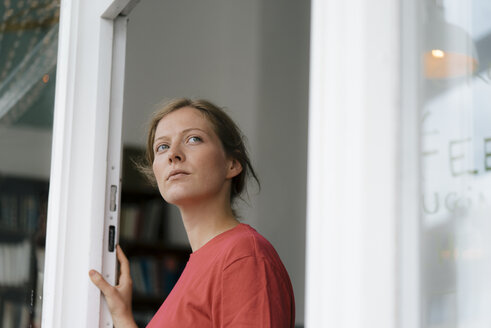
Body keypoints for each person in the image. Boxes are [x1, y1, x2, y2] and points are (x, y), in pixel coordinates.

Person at [89, 98, 295, 327]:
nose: (173, 154)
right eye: (162, 146)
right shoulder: (201, 264)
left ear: (232, 164)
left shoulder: (244, 257)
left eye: (193, 139)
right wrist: (122, 316)